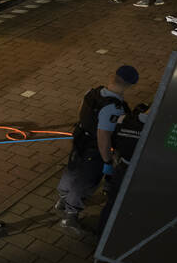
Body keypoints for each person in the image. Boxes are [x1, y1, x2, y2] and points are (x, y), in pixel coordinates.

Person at [54, 65, 137, 236]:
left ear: (113, 76)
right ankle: (70, 217)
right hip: (94, 149)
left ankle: (62, 199)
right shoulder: (113, 107)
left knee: (72, 170)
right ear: (129, 85)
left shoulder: (93, 92)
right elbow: (103, 136)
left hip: (80, 141)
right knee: (86, 182)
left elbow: (81, 113)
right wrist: (107, 160)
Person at [98, 102, 149, 232]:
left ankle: (102, 233)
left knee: (112, 202)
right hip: (140, 171)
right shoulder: (157, 126)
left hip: (122, 167)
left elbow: (112, 139)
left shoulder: (123, 119)